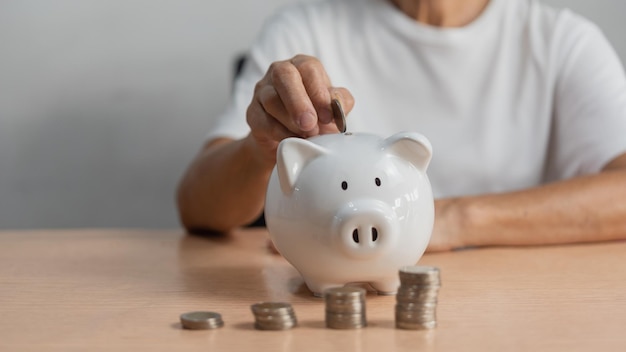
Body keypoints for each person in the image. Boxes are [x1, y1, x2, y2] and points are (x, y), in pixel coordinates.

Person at [177, 0, 626, 252]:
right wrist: (260, 149)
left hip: (514, 303)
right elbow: (196, 206)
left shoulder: (562, 42)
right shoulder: (306, 26)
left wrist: (448, 219)